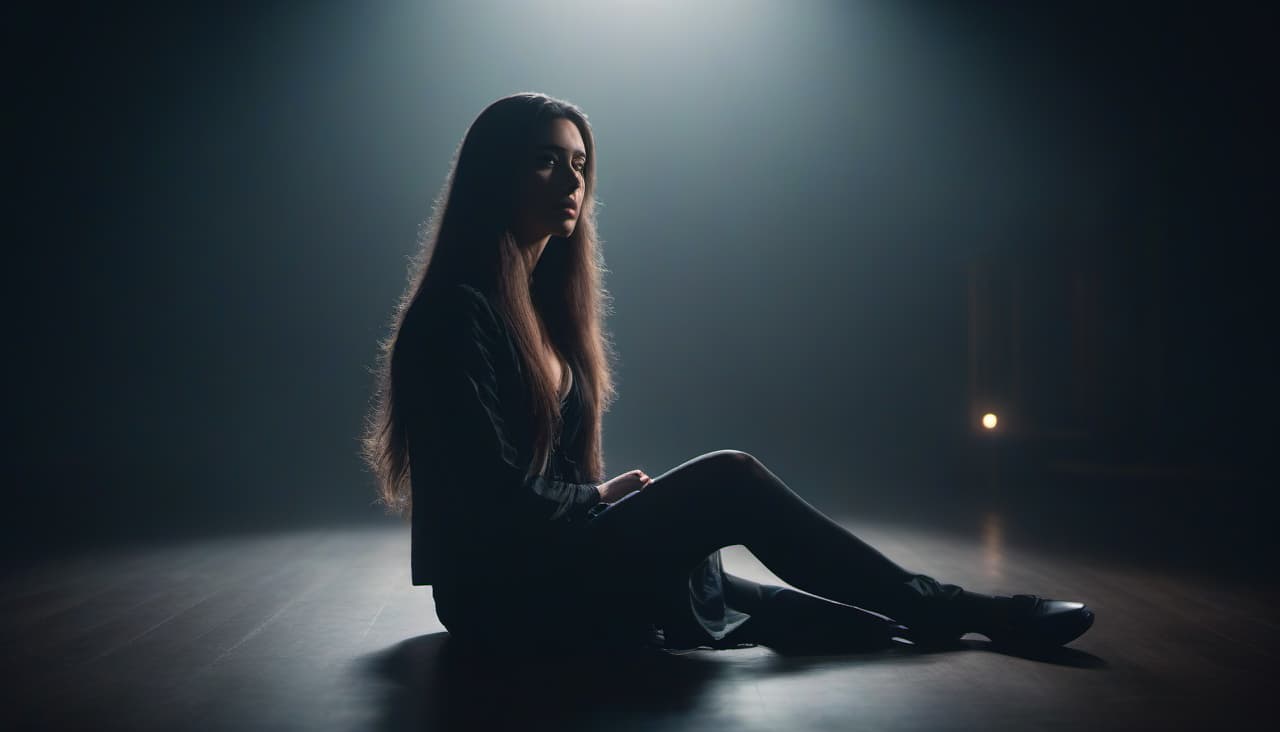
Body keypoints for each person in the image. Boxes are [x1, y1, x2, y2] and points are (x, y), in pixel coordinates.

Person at [360, 92, 1095, 655]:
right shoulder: (456, 315)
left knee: (818, 615)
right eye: (547, 159)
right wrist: (597, 499)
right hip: (500, 594)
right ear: (497, 174)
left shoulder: (547, 312)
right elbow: (490, 497)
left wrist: (601, 510)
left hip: (555, 564)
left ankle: (929, 617)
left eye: (580, 163)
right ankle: (968, 610)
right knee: (727, 478)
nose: (571, 180)